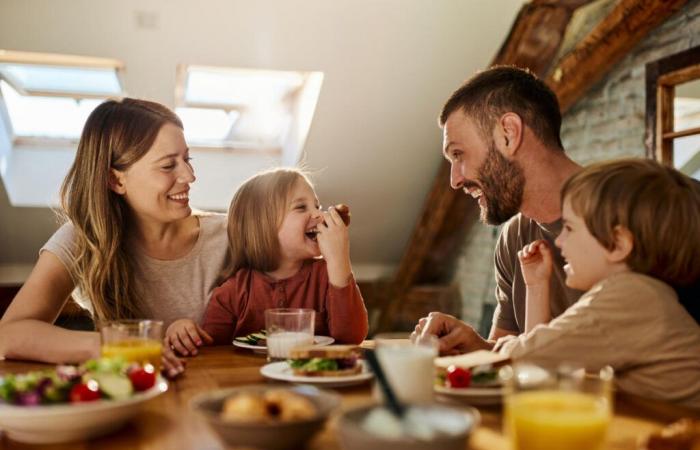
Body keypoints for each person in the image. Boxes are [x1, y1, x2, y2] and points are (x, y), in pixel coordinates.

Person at [0, 98, 228, 377]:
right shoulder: (84, 238)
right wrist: (111, 345)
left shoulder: (230, 235)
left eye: (187, 160)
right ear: (116, 180)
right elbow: (8, 334)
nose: (190, 176)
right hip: (129, 402)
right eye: (169, 166)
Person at [497, 159, 700, 408]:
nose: (559, 241)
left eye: (569, 228)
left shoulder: (631, 298)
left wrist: (497, 350)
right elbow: (541, 368)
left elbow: (526, 357)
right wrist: (537, 287)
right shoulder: (645, 294)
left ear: (618, 244)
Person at [412, 66, 583, 354]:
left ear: (508, 133)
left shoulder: (627, 214)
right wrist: (476, 346)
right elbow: (513, 357)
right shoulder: (515, 237)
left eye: (458, 154)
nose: (454, 180)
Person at [164, 168, 368, 353]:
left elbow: (351, 338)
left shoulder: (328, 275)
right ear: (263, 226)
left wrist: (339, 260)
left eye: (317, 205)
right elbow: (211, 350)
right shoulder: (233, 292)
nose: (319, 215)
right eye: (301, 208)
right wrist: (182, 331)